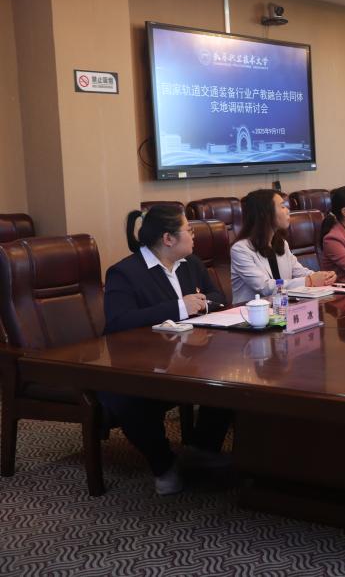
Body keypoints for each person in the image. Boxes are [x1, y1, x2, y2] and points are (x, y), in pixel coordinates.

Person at [102, 205, 233, 495]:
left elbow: (216, 297)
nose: (193, 235)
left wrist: (198, 304)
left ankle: (202, 449)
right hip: (139, 362)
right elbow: (118, 322)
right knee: (128, 397)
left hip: (187, 354)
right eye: (188, 230)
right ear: (168, 238)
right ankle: (163, 464)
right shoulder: (125, 273)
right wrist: (178, 307)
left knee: (229, 374)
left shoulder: (190, 263)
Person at [231, 189, 336, 303]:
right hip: (250, 311)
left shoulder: (281, 243)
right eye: (282, 206)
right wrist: (309, 281)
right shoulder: (241, 249)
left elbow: (298, 271)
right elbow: (265, 286)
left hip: (281, 306)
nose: (287, 210)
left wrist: (324, 277)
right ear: (265, 213)